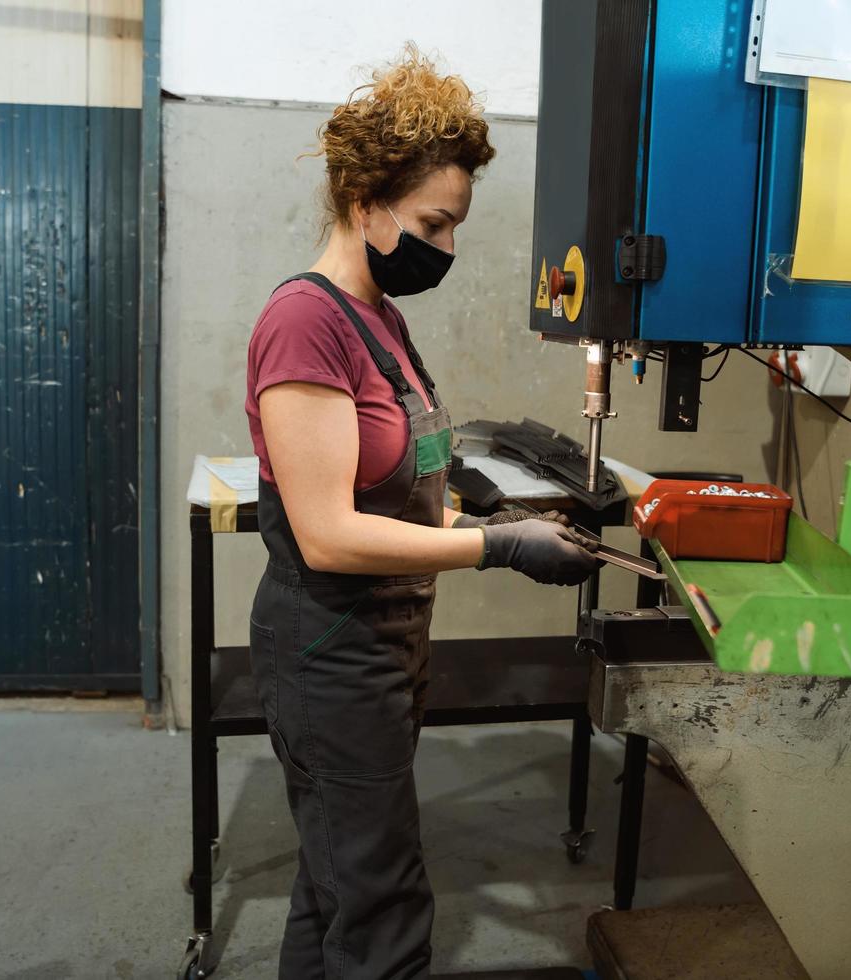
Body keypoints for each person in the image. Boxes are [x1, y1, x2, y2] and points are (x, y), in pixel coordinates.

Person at [244, 46, 600, 979]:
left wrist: (514, 531)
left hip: (389, 642)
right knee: (386, 909)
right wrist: (496, 548)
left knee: (335, 889)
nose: (445, 251)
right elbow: (326, 534)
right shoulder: (304, 322)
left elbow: (408, 499)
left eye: (456, 229)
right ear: (366, 203)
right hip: (329, 652)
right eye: (434, 225)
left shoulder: (382, 323)